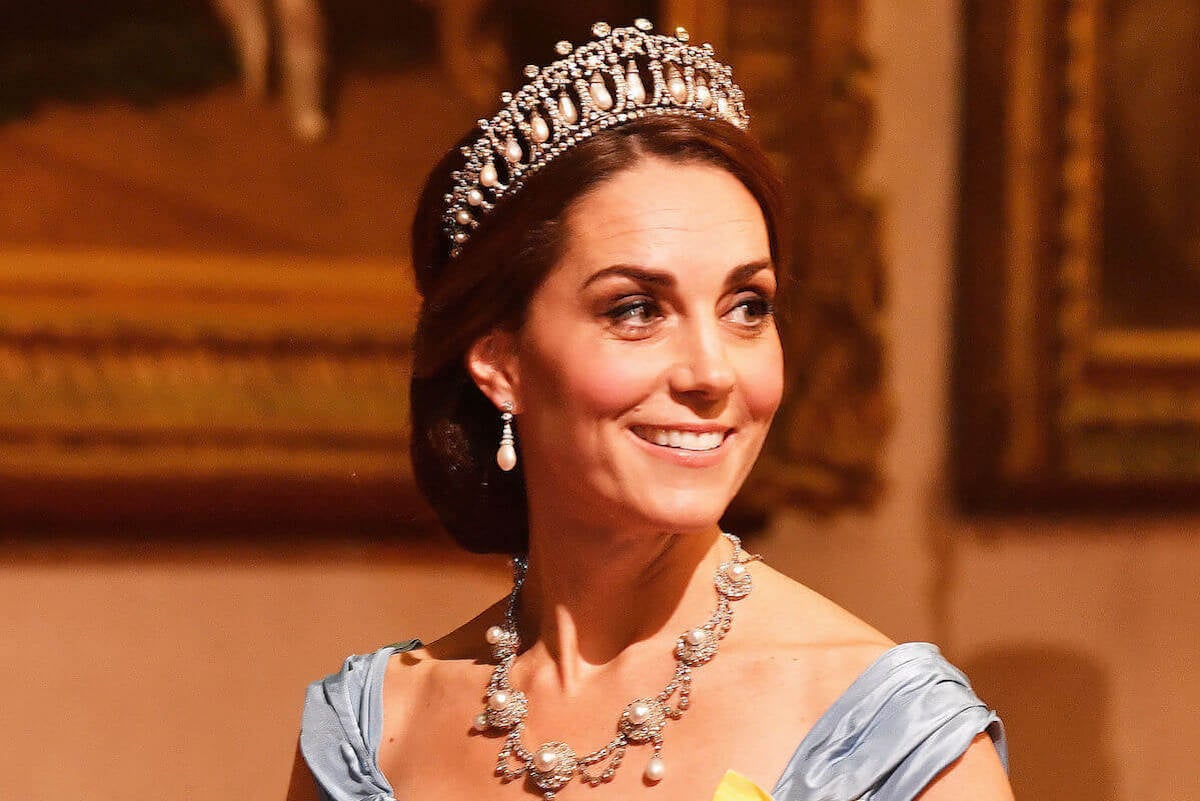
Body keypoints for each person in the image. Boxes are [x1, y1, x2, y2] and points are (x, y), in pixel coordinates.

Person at [287, 19, 1012, 801]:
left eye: (746, 306)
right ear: (500, 362)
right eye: (636, 308)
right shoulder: (373, 730)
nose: (711, 372)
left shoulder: (897, 745)